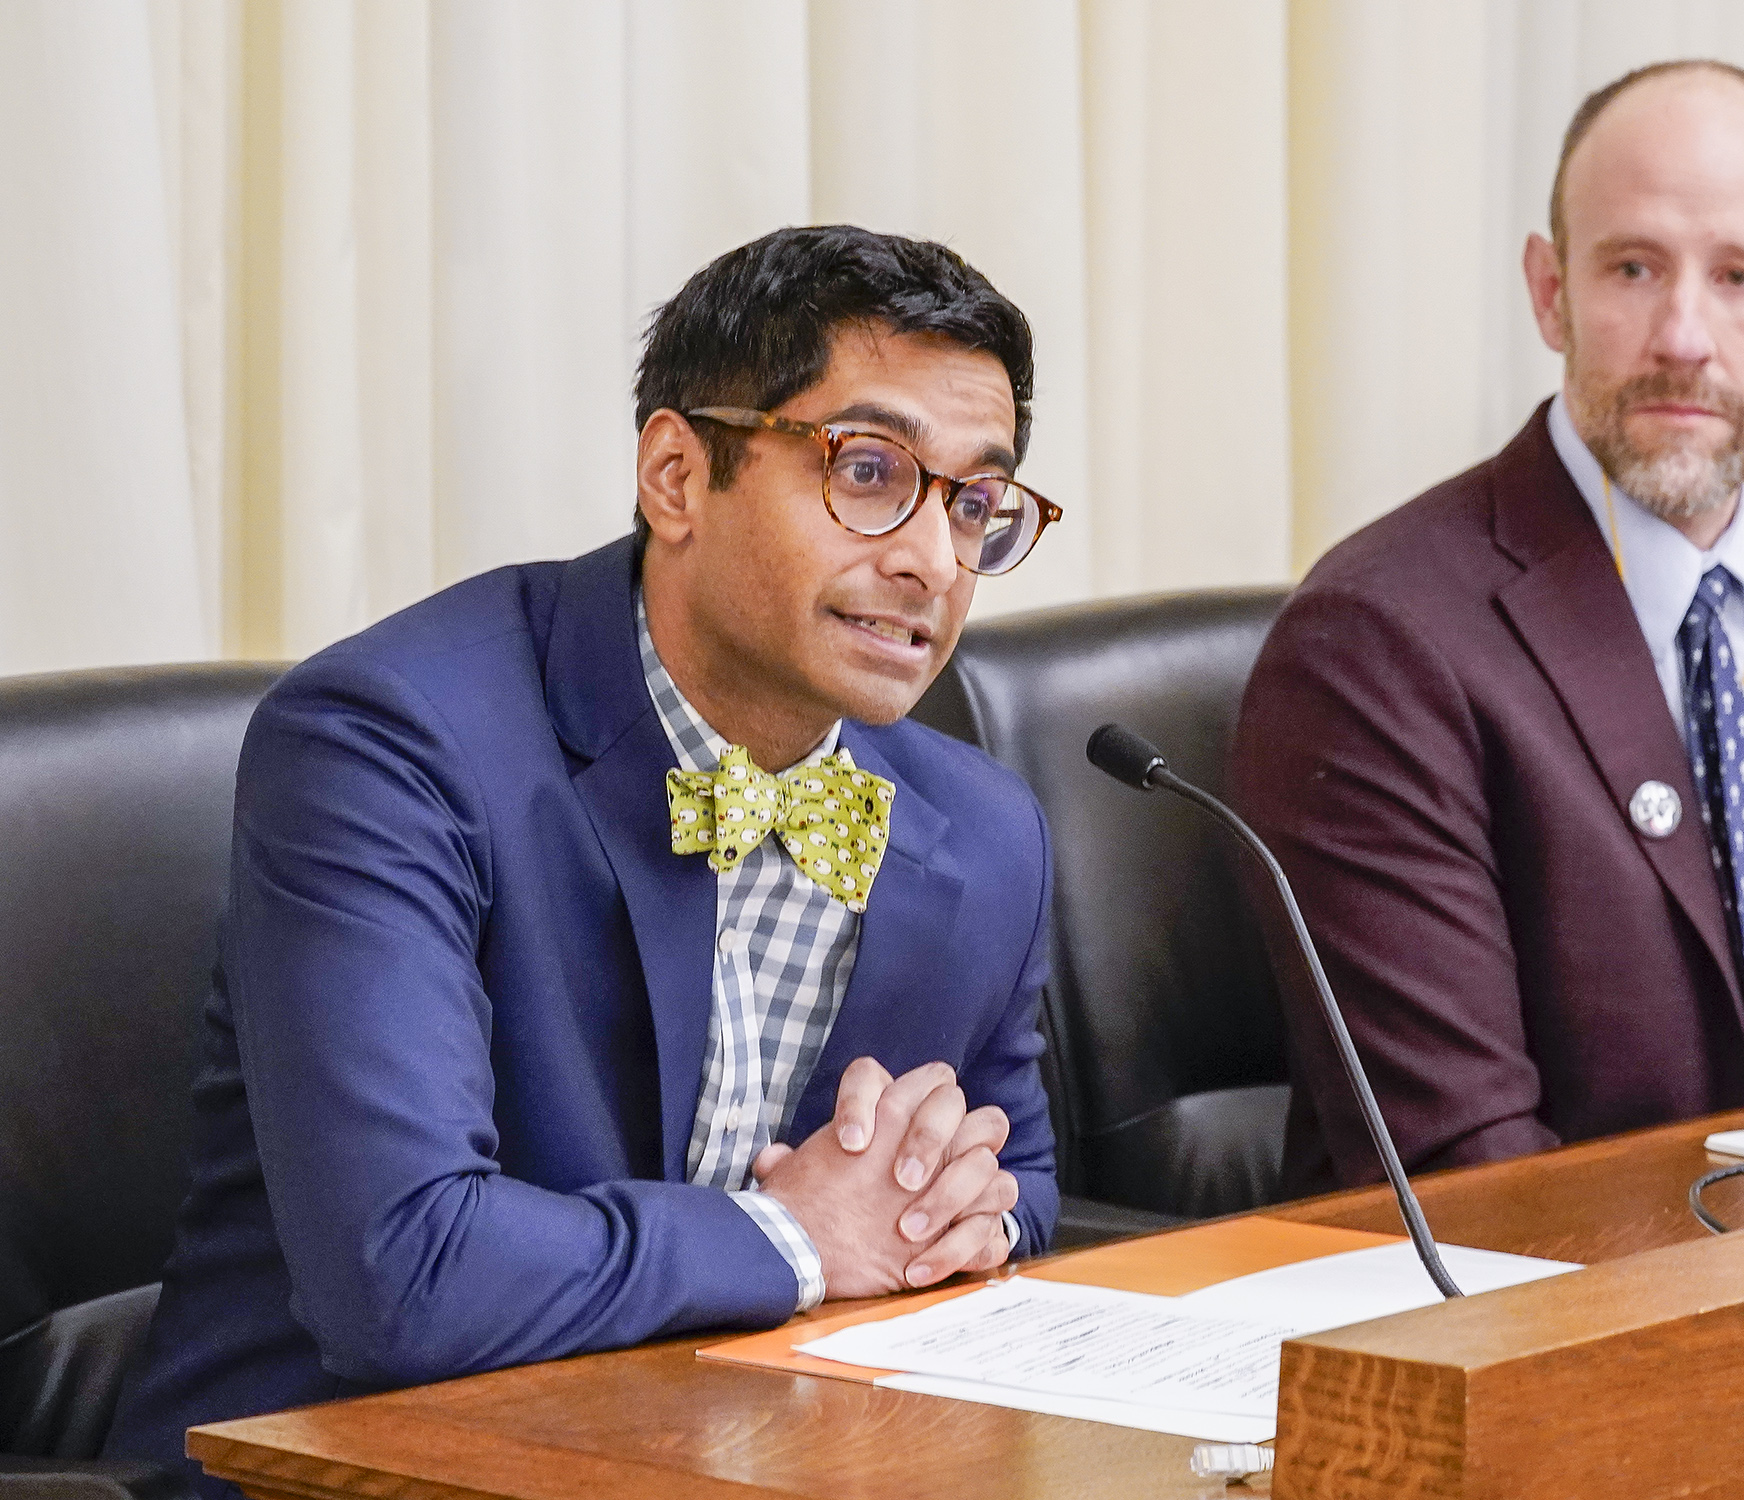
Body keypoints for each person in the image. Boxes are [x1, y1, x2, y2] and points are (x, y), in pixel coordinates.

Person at [105, 226, 1066, 1493]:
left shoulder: (982, 828)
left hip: (741, 1458)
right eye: (869, 472)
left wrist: (947, 1210)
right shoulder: (388, 746)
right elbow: (405, 1272)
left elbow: (1025, 1186)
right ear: (677, 476)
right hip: (335, 1469)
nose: (932, 561)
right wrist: (797, 1238)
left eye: (975, 503)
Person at [1234, 61, 1744, 1191]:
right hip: (1535, 1290)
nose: (1684, 335)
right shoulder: (1376, 643)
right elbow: (1470, 1171)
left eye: (1741, 278)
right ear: (1551, 292)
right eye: (1633, 267)